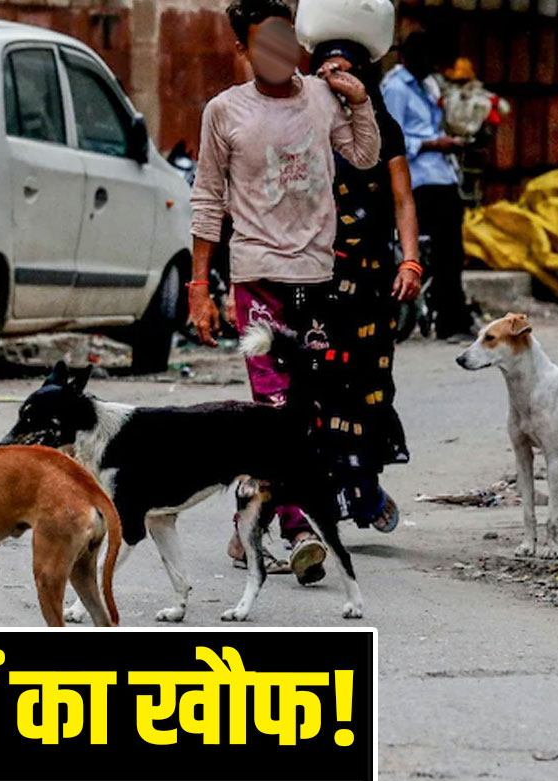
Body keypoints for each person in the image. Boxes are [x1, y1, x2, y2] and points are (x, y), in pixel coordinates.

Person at [188, 0, 381, 585]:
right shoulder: (224, 113)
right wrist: (201, 285)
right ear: (242, 50)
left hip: (318, 278)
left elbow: (365, 155)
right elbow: (206, 198)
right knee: (274, 407)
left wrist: (359, 99)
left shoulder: (323, 99)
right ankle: (298, 529)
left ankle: (249, 513)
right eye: (260, 41)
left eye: (282, 37)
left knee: (311, 408)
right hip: (257, 279)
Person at [306, 38, 422, 532]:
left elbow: (402, 201)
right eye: (324, 70)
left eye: (343, 70)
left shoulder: (384, 128)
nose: (334, 79)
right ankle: (326, 495)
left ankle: (366, 486)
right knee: (319, 389)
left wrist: (410, 262)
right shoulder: (304, 126)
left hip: (373, 280)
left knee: (369, 387)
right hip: (314, 278)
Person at [381, 31, 475, 343]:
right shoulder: (396, 88)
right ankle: (450, 319)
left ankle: (452, 313)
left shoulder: (425, 86)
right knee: (446, 250)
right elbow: (392, 140)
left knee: (451, 252)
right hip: (419, 180)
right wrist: (434, 144)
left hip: (441, 177)